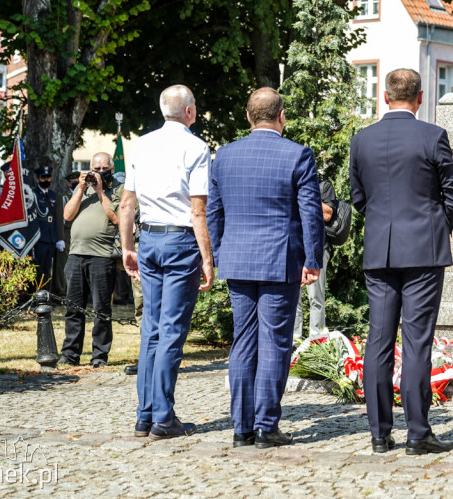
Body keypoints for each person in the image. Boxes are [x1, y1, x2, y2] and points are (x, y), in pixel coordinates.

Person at [350, 68, 453, 455]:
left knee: (378, 340)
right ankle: (418, 432)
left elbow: (358, 197)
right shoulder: (432, 135)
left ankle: (379, 434)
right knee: (417, 341)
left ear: (385, 97)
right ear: (419, 97)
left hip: (380, 249)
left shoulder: (361, 139)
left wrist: (383, 225)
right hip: (423, 252)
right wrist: (435, 228)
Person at [207, 88, 324, 449]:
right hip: (279, 260)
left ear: (248, 116)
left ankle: (241, 428)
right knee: (274, 342)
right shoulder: (297, 155)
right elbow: (310, 213)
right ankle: (266, 427)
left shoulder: (224, 156)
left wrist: (216, 255)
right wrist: (313, 259)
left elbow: (214, 212)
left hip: (238, 260)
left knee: (242, 342)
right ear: (282, 116)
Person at [119, 85, 214, 441]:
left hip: (149, 237)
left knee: (152, 331)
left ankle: (145, 415)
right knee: (172, 330)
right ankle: (162, 416)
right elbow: (198, 210)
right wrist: (207, 258)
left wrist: (127, 247)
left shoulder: (141, 144)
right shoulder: (196, 147)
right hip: (180, 241)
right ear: (189, 111)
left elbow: (127, 204)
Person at [60, 152, 121, 368]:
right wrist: (82, 188)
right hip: (76, 255)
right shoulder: (82, 190)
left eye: (105, 168)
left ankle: (99, 356)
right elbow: (67, 215)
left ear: (111, 170)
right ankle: (70, 355)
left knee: (101, 309)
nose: (100, 172)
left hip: (101, 257)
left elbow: (117, 218)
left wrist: (100, 191)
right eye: (96, 168)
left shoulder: (117, 190)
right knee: (73, 308)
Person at [294, 179, 352, 339]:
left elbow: (327, 214)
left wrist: (305, 197)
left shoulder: (323, 186)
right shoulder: (290, 185)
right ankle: (294, 338)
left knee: (316, 297)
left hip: (318, 248)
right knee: (293, 297)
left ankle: (316, 338)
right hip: (295, 249)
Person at [32, 165, 65, 288]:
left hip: (51, 238)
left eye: (48, 177)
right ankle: (36, 294)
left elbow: (56, 218)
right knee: (38, 268)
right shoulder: (33, 194)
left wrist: (59, 238)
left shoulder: (53, 195)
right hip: (39, 237)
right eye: (43, 177)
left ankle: (46, 294)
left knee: (48, 269)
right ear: (38, 179)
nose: (46, 180)